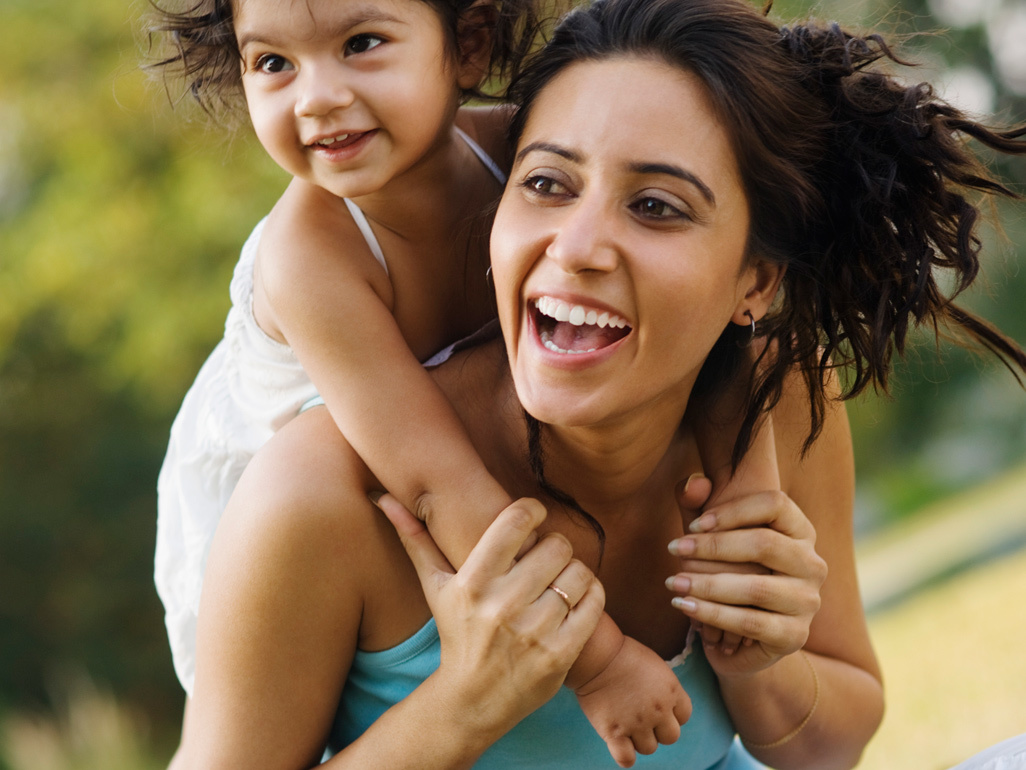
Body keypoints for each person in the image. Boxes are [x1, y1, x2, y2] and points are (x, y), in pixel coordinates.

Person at [172, 0, 1026, 767]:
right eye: (548, 184)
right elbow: (434, 480)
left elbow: (829, 746)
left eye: (655, 205)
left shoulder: (775, 390)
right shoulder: (319, 484)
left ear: (756, 284)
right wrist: (463, 712)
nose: (577, 245)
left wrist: (758, 643)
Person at [147, 0, 746, 763]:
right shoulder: (312, 254)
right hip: (315, 526)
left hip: (477, 469)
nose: (316, 97)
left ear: (468, 45)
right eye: (272, 63)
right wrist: (596, 660)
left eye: (361, 44)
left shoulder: (522, 153)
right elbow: (432, 480)